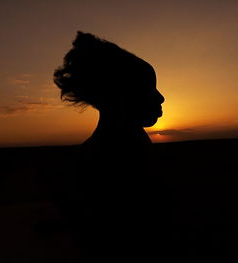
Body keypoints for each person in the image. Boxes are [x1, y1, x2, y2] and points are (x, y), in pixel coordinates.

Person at [53, 31, 171, 262]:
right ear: (119, 95)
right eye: (148, 88)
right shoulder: (116, 154)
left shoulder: (116, 145)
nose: (161, 97)